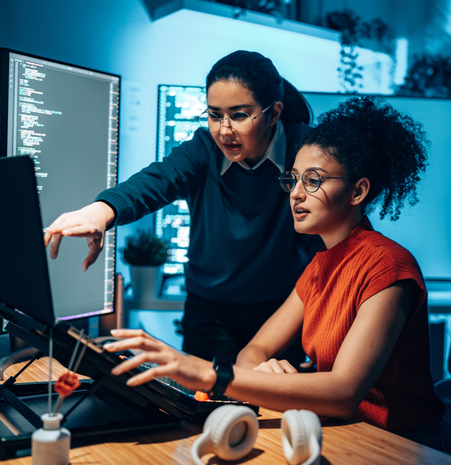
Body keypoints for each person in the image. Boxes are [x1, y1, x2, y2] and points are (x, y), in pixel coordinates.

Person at [103, 96, 446, 449]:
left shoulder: (387, 267)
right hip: (344, 432)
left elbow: (343, 392)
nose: (295, 194)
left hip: (397, 445)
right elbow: (254, 349)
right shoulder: (320, 264)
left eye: (312, 181)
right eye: (293, 179)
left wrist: (206, 372)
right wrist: (265, 370)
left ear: (357, 191)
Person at [44, 51, 322, 366]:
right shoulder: (204, 149)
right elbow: (156, 181)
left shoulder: (306, 150)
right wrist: (102, 211)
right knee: (201, 408)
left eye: (240, 115)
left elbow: (328, 229)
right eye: (215, 115)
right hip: (209, 313)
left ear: (274, 114)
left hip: (281, 311)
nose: (224, 130)